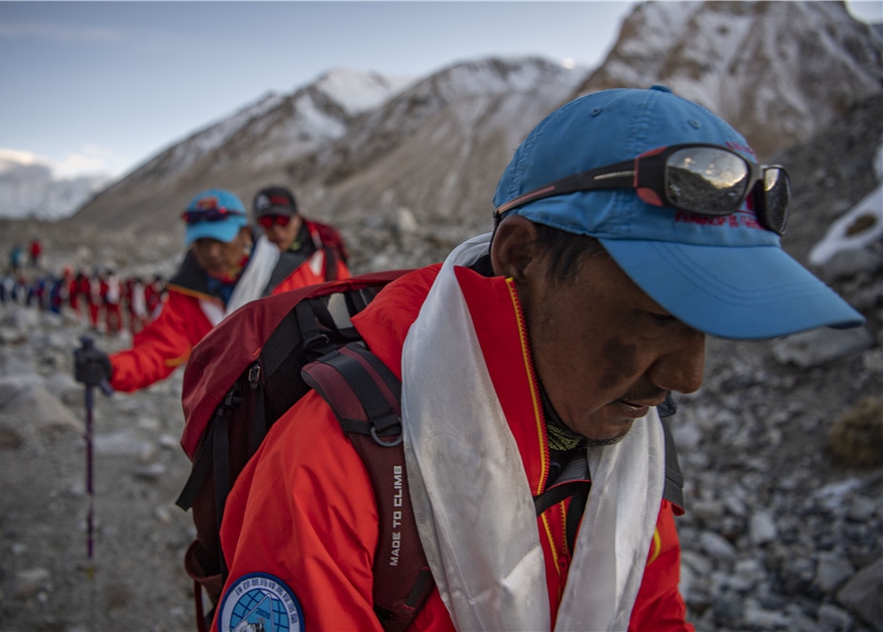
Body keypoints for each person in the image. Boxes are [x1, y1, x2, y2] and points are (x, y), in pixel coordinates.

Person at [211, 87, 865, 632]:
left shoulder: (629, 438)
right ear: (520, 256)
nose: (684, 380)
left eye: (707, 326)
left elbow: (652, 612)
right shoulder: (329, 472)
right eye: (658, 317)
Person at [78, 188, 339, 393]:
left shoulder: (293, 274)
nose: (212, 252)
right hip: (225, 413)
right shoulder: (186, 295)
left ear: (245, 234)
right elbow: (160, 349)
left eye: (220, 241)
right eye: (201, 243)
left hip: (291, 402)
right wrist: (112, 368)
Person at [252, 185, 351, 294]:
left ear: (298, 218)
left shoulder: (325, 256)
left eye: (283, 220)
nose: (276, 229)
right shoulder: (249, 263)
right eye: (266, 222)